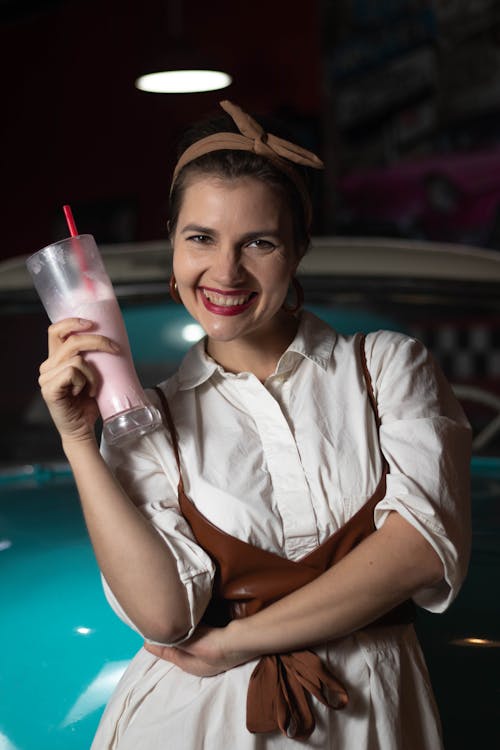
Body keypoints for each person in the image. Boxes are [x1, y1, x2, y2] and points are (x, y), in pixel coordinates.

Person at [39, 100, 471, 749]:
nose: (226, 272)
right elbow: (162, 614)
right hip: (190, 725)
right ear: (172, 242)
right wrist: (79, 440)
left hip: (369, 723)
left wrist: (237, 641)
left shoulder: (386, 367)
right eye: (201, 238)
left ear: (298, 247)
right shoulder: (145, 418)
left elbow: (419, 547)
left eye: (259, 242)